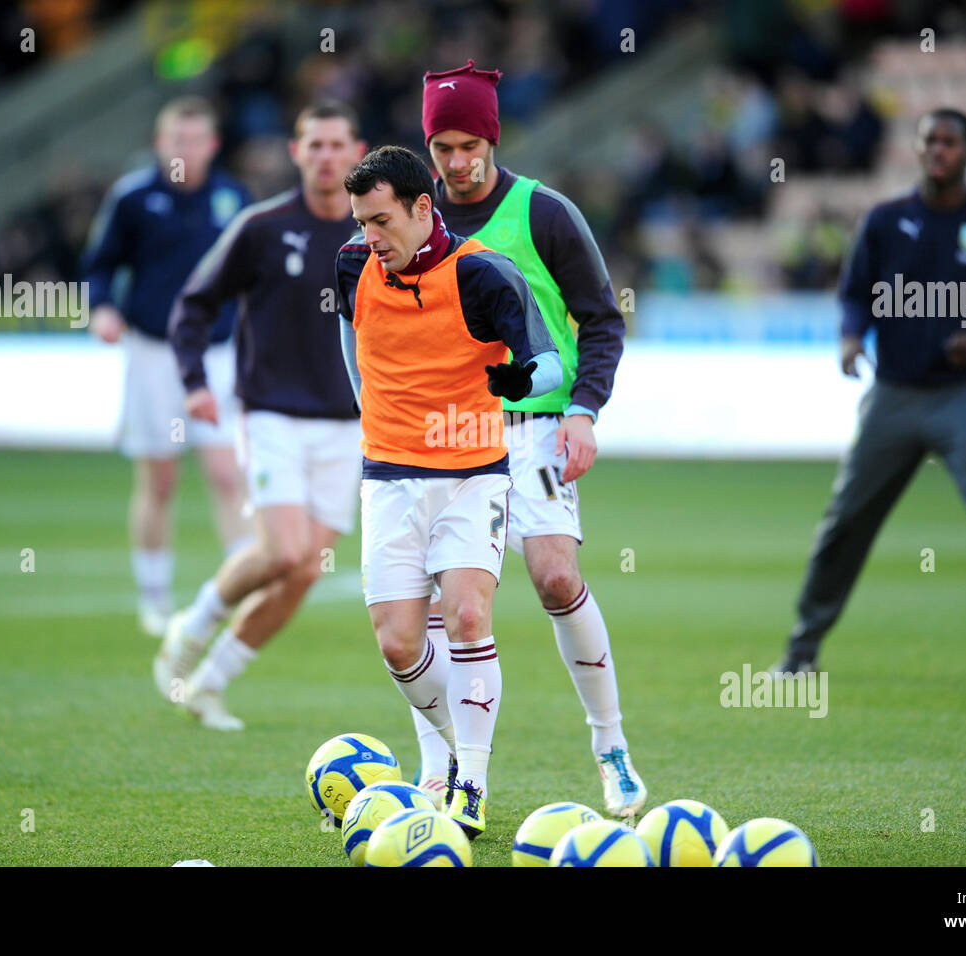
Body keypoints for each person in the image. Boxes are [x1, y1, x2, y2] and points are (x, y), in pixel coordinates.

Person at [412, 60, 645, 817]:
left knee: (552, 576)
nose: (455, 161)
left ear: (492, 137)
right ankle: (443, 767)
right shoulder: (419, 224)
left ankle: (610, 744)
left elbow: (601, 319)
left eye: (467, 144)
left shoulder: (544, 213)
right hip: (449, 434)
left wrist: (585, 411)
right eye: (442, 146)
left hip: (538, 430)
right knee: (447, 607)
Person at [772, 108, 966, 685]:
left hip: (963, 397)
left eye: (951, 143)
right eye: (931, 142)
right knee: (846, 519)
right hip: (893, 394)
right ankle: (801, 652)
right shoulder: (885, 221)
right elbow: (855, 295)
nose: (939, 152)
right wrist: (851, 337)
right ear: (919, 151)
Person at [335, 145, 561, 838]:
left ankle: (472, 781)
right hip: (389, 479)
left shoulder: (485, 275)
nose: (370, 237)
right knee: (399, 645)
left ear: (422, 207)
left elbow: (549, 364)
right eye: (361, 221)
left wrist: (521, 383)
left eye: (381, 221)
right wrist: (367, 415)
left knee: (467, 620)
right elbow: (354, 343)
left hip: (472, 475)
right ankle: (467, 732)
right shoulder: (351, 267)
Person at [154, 103, 366, 730]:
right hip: (271, 413)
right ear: (297, 153)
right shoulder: (262, 227)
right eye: (315, 145)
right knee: (284, 551)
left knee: (303, 572)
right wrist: (195, 382)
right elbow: (194, 304)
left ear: (358, 153)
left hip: (348, 425)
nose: (327, 157)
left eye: (337, 144)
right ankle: (191, 626)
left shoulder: (374, 236)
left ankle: (209, 683)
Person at [81, 96, 253, 637]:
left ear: (212, 145)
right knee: (159, 479)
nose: (185, 149)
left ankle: (243, 588)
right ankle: (154, 596)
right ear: (160, 143)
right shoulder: (133, 198)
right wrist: (102, 308)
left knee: (228, 473)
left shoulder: (234, 199)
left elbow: (255, 273)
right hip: (154, 351)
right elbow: (100, 266)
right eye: (175, 139)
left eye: (194, 139)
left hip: (218, 352)